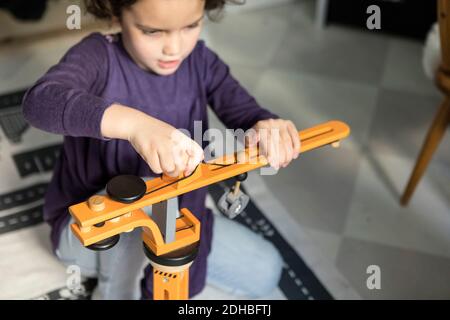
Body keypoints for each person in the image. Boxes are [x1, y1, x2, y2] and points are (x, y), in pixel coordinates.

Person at [22, 0, 301, 299]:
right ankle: (113, 292)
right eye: (152, 31)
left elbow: (248, 115)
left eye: (190, 26)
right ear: (116, 12)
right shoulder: (97, 56)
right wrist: (133, 125)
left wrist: (266, 126)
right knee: (139, 198)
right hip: (89, 236)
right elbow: (40, 101)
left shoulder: (201, 61)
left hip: (176, 218)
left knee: (265, 269)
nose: (174, 48)